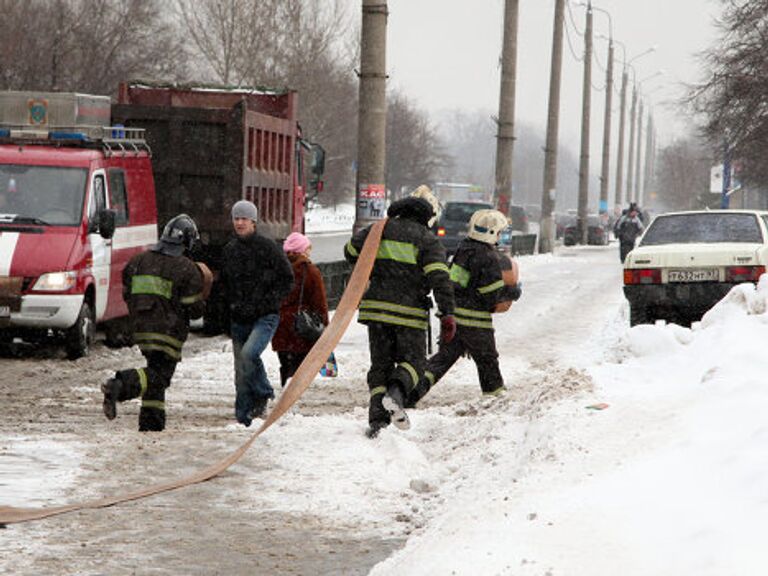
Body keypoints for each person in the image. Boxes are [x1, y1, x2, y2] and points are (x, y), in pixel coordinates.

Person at [344, 185, 456, 438]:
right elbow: (440, 278)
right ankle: (396, 393)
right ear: (427, 216)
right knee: (414, 362)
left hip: (376, 311)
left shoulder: (378, 229)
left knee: (380, 365)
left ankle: (377, 421)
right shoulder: (428, 240)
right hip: (409, 313)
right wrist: (447, 313)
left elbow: (350, 252)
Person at [101, 214, 208, 432]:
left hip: (141, 330)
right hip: (169, 332)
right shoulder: (187, 268)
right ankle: (118, 385)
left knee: (154, 375)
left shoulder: (137, 262)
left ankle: (151, 423)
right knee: (159, 377)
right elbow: (195, 310)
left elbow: (127, 294)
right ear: (186, 241)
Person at [407, 209, 521, 407]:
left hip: (456, 318)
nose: (501, 237)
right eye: (500, 232)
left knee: (441, 361)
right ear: (491, 232)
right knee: (487, 360)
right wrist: (512, 292)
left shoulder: (464, 249)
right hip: (476, 322)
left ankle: (411, 394)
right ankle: (495, 397)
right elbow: (490, 296)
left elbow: (456, 283)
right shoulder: (488, 257)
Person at [221, 200, 294, 427]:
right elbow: (224, 285)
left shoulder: (268, 247)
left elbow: (287, 279)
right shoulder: (229, 250)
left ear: (254, 221)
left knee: (248, 355)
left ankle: (263, 391)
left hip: (265, 316)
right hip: (238, 316)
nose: (240, 223)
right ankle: (243, 415)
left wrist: (269, 302)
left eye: (244, 219)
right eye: (236, 218)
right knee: (240, 369)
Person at [272, 232, 329, 387]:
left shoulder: (277, 269)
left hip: (280, 327)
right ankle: (294, 398)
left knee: (286, 365)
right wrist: (325, 325)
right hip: (301, 328)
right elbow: (319, 302)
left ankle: (284, 392)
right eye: (308, 248)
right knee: (300, 369)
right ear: (302, 250)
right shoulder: (309, 271)